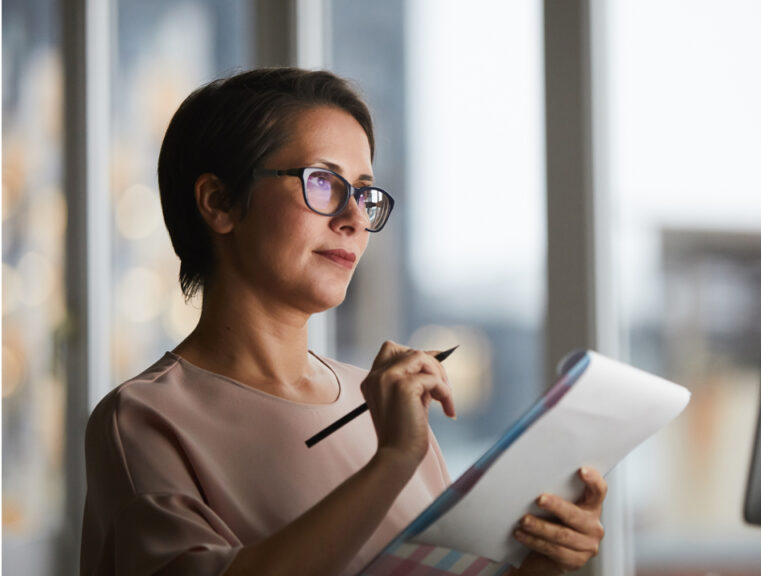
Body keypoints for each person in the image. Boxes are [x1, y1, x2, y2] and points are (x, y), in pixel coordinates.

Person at [80, 67, 607, 576]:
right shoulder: (144, 419)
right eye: (324, 182)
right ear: (218, 202)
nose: (355, 218)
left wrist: (537, 565)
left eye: (363, 192)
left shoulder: (379, 400)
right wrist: (393, 460)